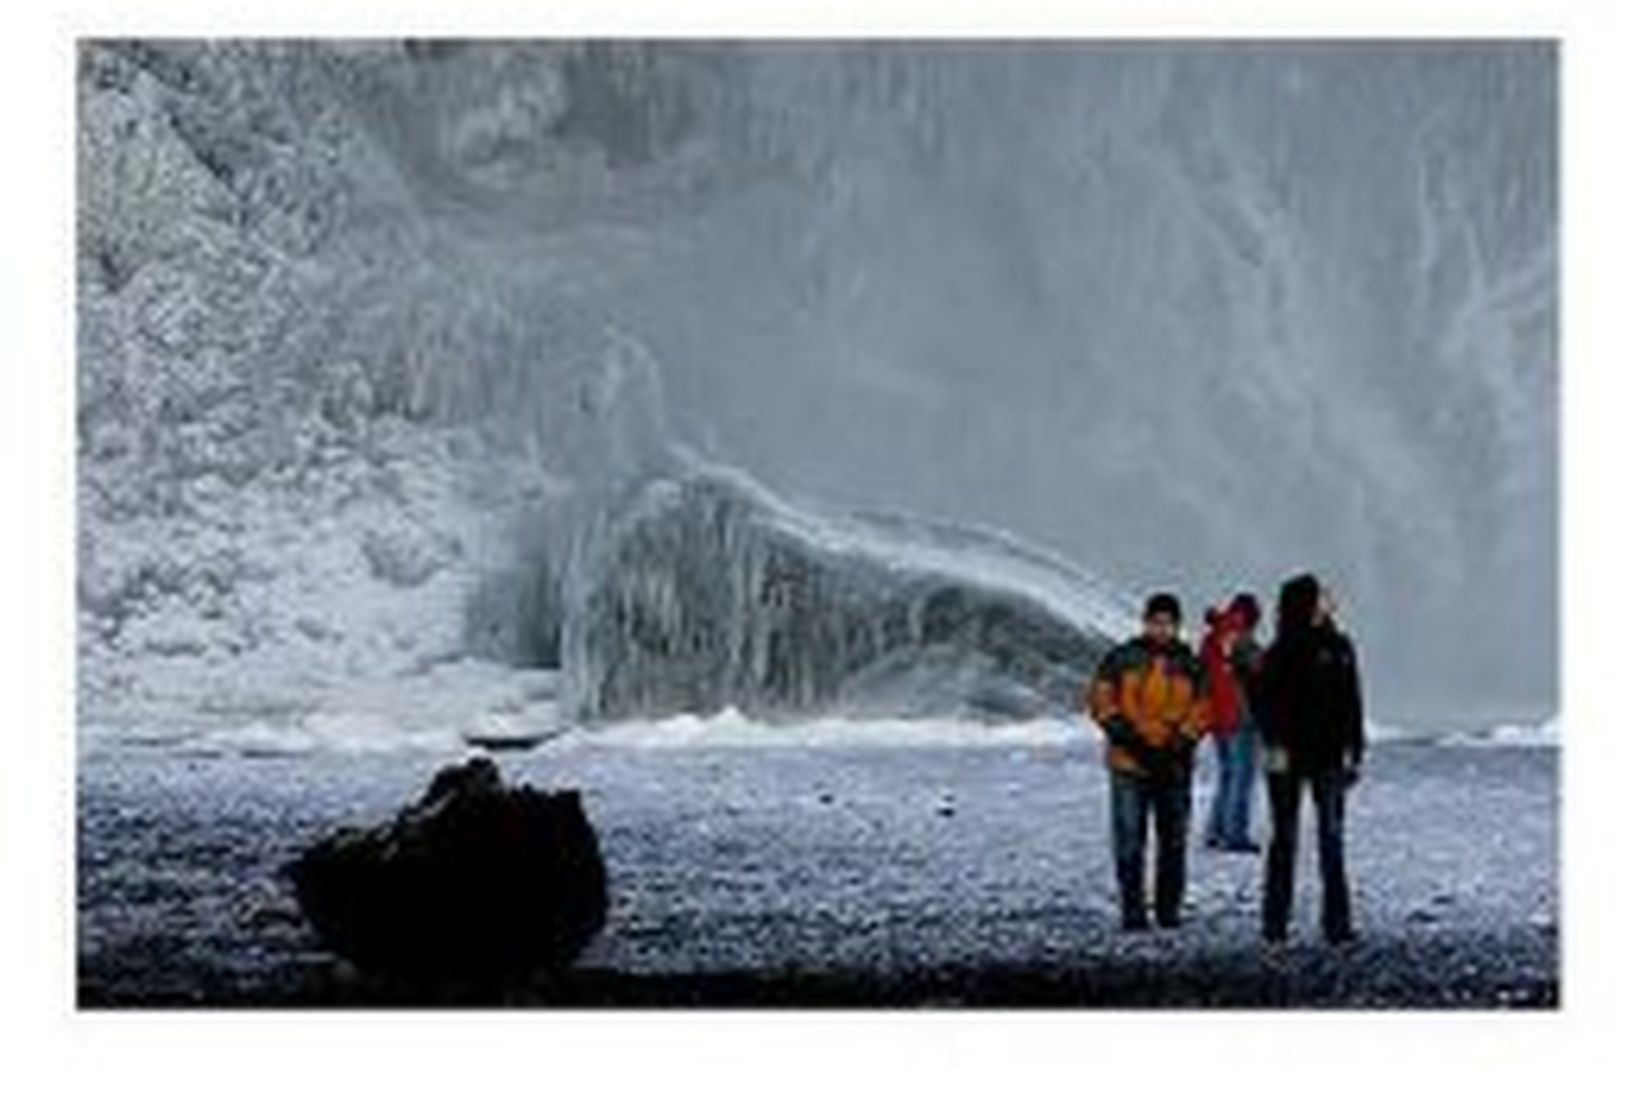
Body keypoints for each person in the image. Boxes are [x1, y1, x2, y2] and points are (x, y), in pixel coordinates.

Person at [1086, 592, 1211, 930]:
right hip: (1129, 763)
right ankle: (1133, 911)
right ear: (1145, 622)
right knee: (1129, 839)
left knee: (1173, 841)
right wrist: (1130, 740)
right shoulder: (1120, 658)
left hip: (1173, 765)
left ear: (1177, 626)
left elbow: (1203, 710)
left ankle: (1168, 910)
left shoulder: (1191, 665)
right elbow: (1101, 701)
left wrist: (1180, 743)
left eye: (1167, 623)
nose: (1161, 628)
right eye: (1155, 622)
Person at [1252, 574, 1365, 945]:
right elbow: (1264, 707)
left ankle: (1337, 925)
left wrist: (1355, 750)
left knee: (1331, 839)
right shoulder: (1280, 651)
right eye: (1322, 594)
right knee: (1285, 839)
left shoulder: (1340, 646)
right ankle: (1274, 926)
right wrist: (1275, 747)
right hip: (1288, 758)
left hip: (1329, 757)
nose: (1330, 598)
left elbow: (1353, 703)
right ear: (1307, 602)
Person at [1202, 593, 1263, 853]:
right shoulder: (1241, 637)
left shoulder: (1211, 638)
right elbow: (1258, 670)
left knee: (1227, 775)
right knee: (1243, 777)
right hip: (1242, 716)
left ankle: (1216, 830)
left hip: (1217, 716)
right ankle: (1234, 834)